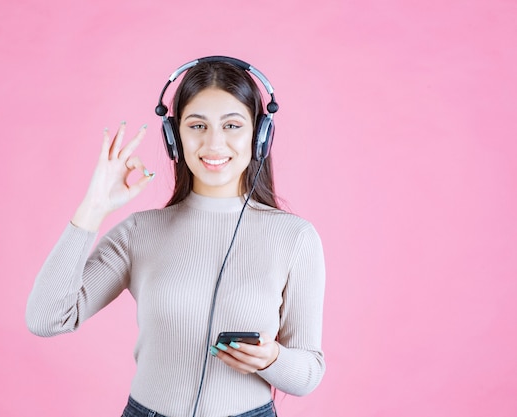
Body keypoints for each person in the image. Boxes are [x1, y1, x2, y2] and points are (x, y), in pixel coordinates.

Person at [26, 56, 326, 417]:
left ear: (260, 135)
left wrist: (271, 359)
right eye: (197, 126)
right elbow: (46, 318)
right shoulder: (140, 232)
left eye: (232, 125)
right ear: (174, 137)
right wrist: (94, 207)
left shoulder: (294, 238)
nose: (214, 143)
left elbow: (308, 373)